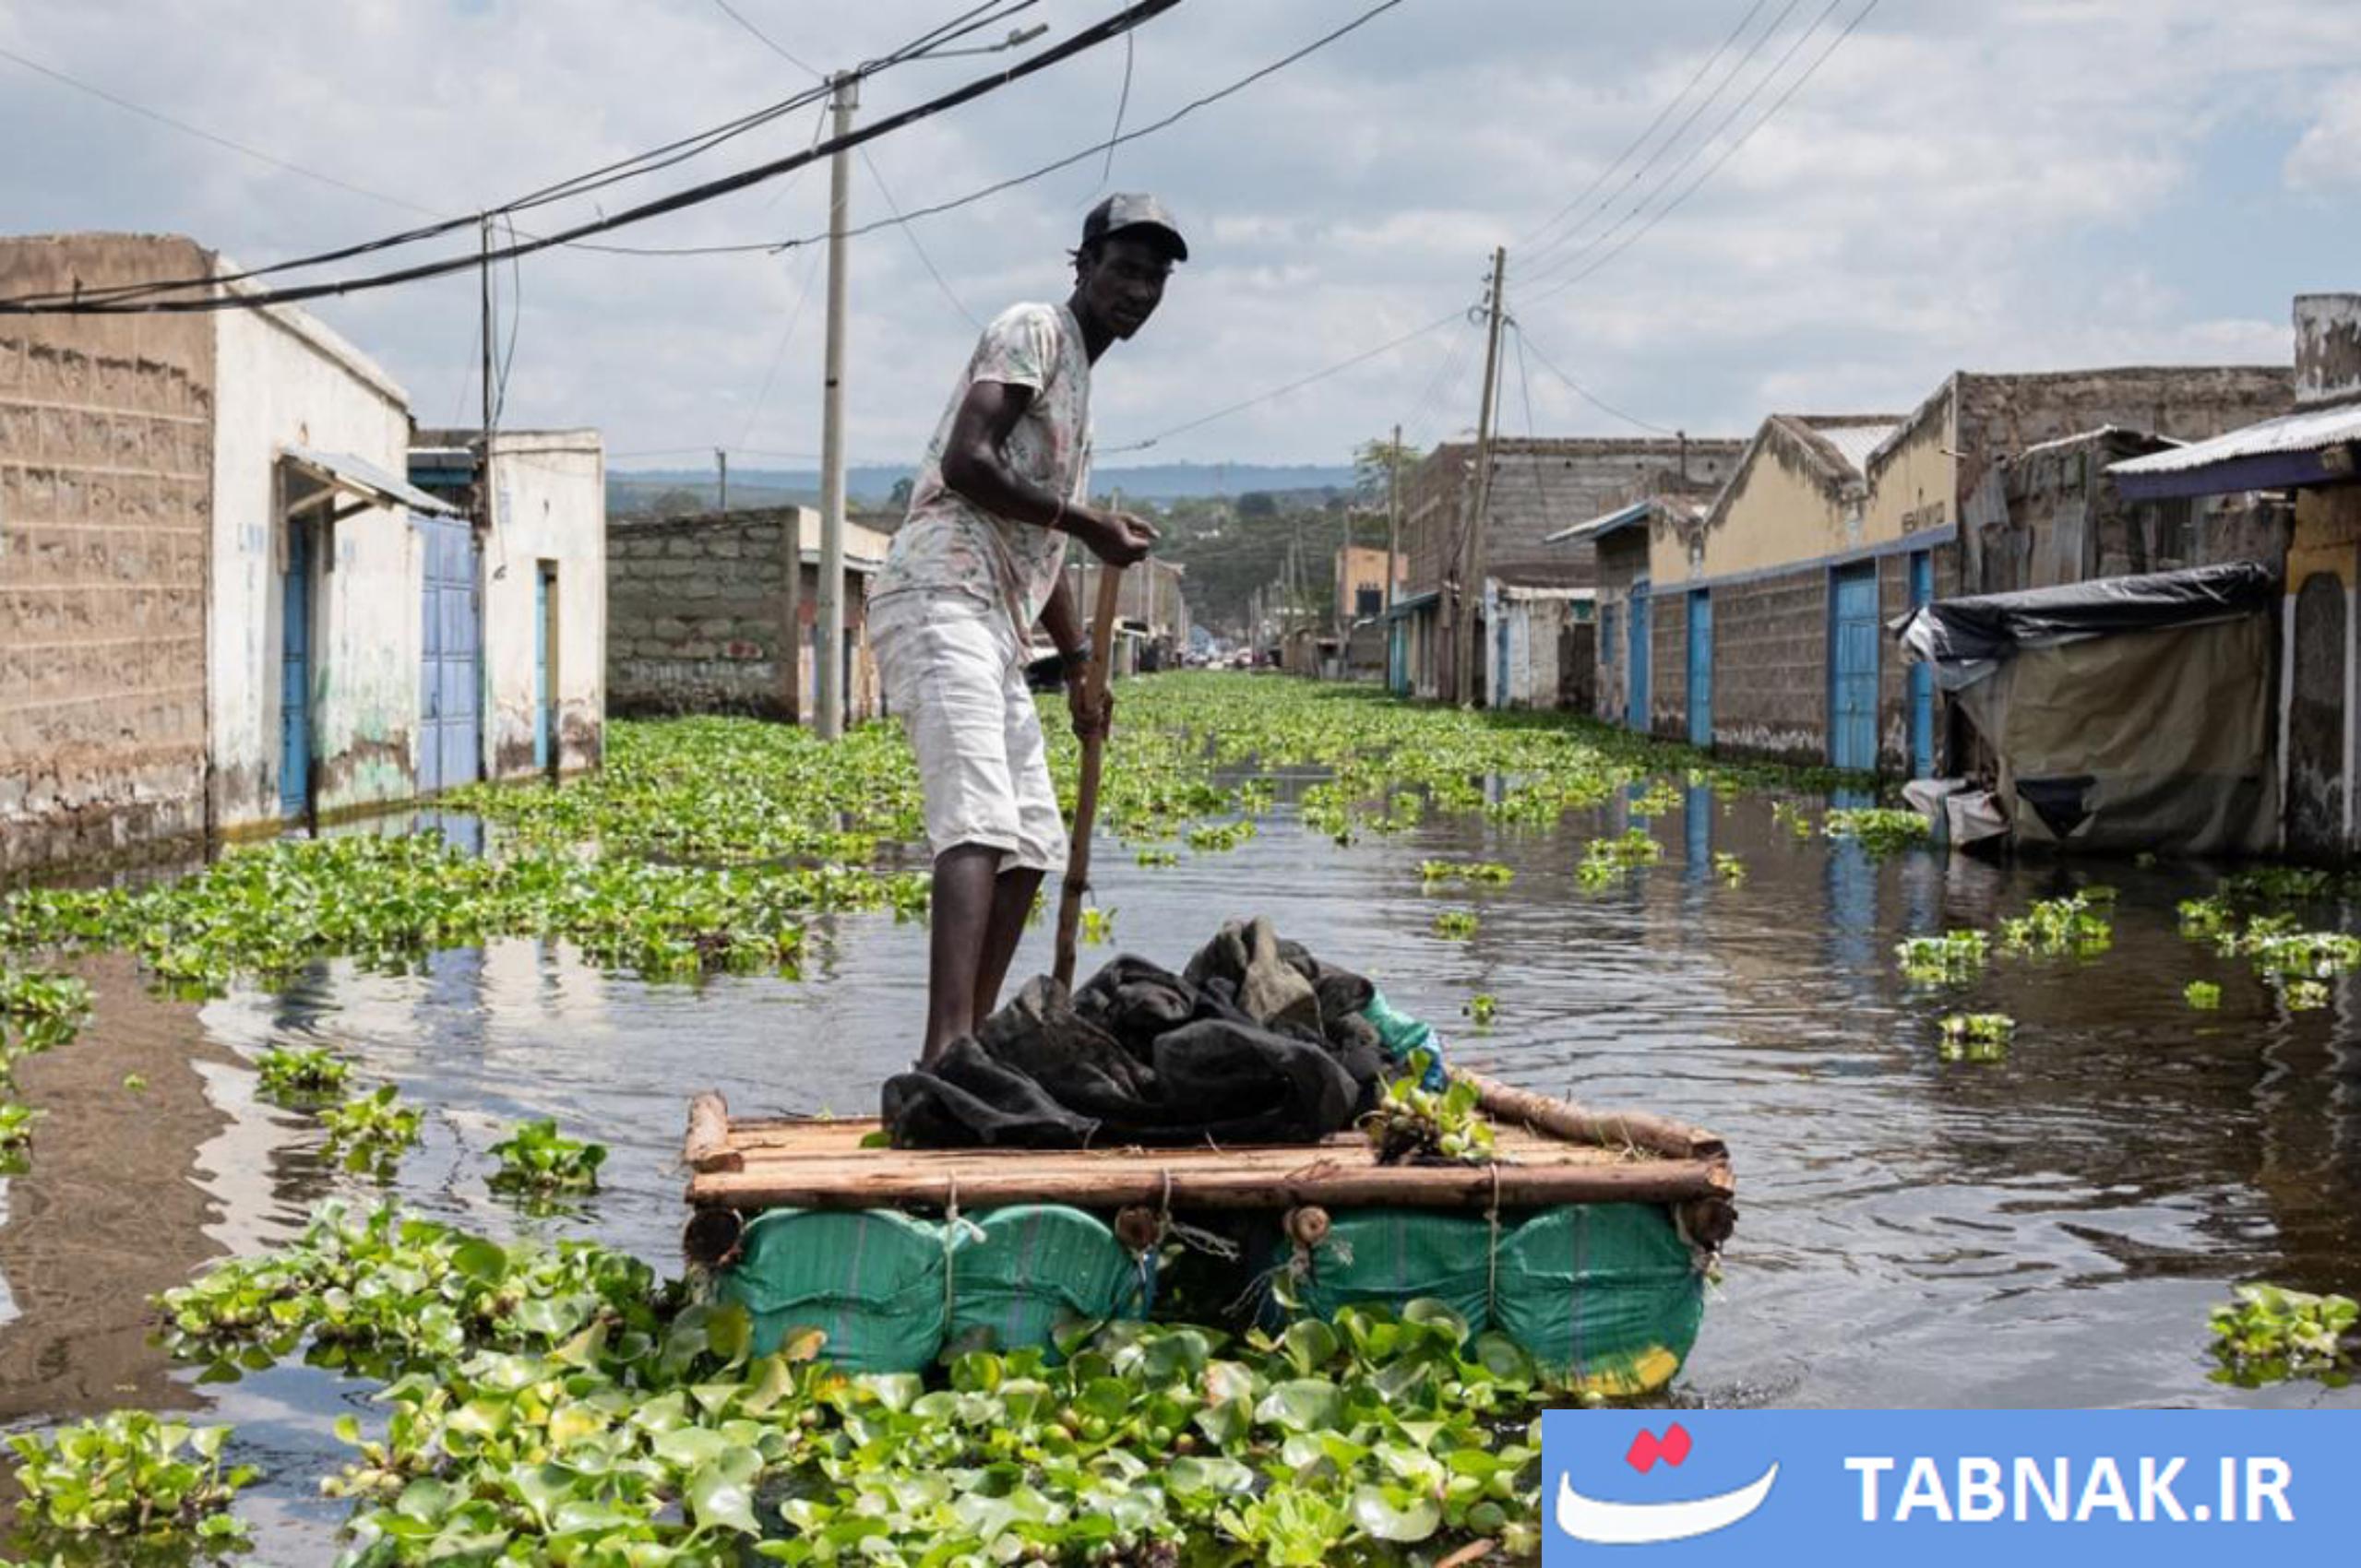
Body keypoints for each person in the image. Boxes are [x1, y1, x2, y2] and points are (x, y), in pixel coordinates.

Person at [867, 194, 1186, 1065]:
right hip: (938, 591)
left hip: (995, 621)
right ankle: (946, 1053)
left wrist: (1081, 661)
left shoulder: (1082, 384)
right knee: (975, 821)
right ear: (1081, 266)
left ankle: (968, 1043)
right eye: (1123, 269)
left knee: (1034, 836)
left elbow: (1038, 541)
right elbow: (968, 463)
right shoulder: (1033, 331)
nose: (1138, 289)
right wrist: (1087, 525)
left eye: (1154, 277)